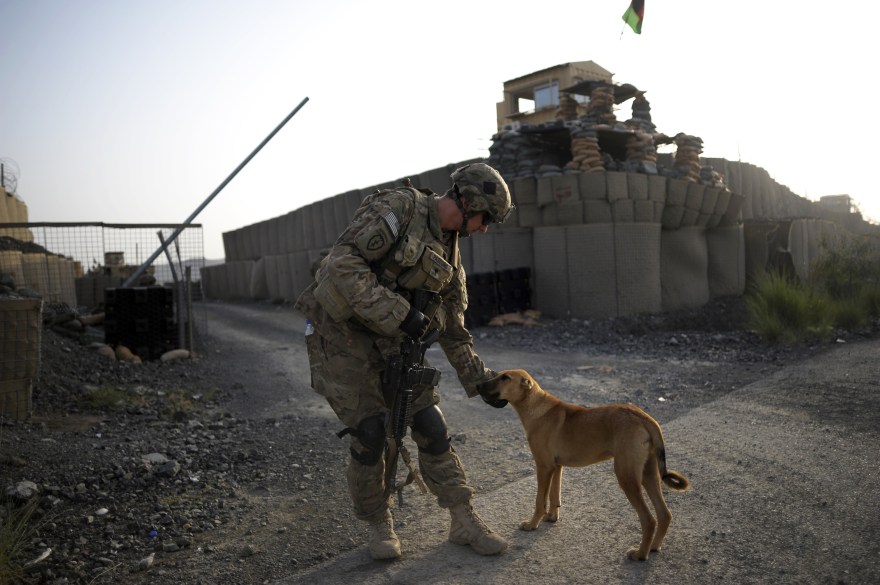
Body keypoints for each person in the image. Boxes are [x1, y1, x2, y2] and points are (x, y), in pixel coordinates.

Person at [294, 162, 514, 560]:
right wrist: (401, 314)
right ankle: (379, 524)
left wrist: (480, 380)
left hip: (395, 342)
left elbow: (452, 328)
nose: (484, 229)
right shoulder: (400, 208)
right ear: (467, 202)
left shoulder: (451, 253)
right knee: (371, 431)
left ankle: (463, 520)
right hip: (342, 336)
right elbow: (341, 263)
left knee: (431, 422)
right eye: (485, 219)